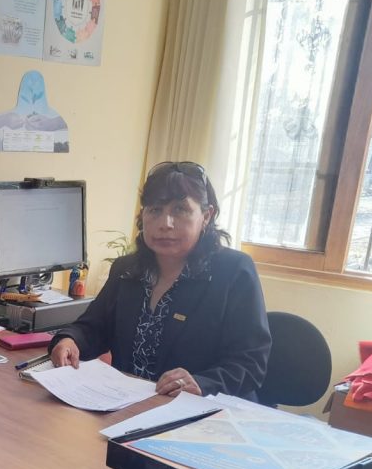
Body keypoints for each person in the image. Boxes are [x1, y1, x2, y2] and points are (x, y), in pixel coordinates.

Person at [49, 161, 271, 399]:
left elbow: (250, 363)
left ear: (206, 216)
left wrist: (203, 383)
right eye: (155, 210)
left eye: (180, 210)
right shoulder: (127, 269)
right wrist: (70, 340)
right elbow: (94, 327)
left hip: (202, 408)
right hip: (125, 403)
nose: (165, 223)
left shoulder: (233, 271)